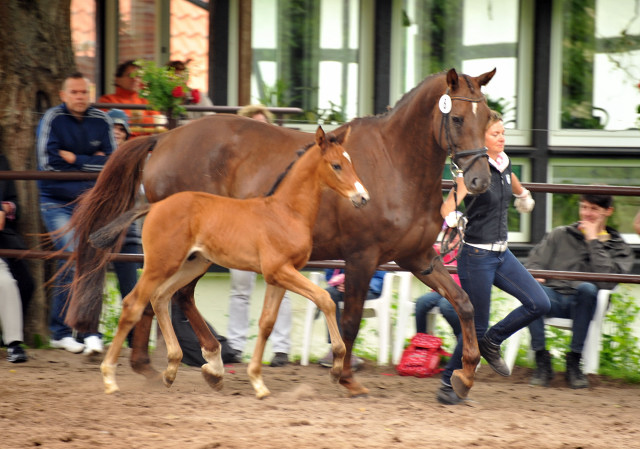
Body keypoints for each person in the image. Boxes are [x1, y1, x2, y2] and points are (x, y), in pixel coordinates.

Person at [436, 110, 550, 405]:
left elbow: (508, 176)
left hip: (502, 254)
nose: (502, 138)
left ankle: (492, 341)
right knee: (475, 326)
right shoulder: (473, 169)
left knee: (539, 302)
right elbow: (447, 209)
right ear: (481, 138)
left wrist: (523, 194)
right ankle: (449, 383)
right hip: (476, 256)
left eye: (503, 133)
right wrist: (455, 218)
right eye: (495, 134)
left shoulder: (503, 161)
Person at [37, 72, 114, 355]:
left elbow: (112, 165)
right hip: (56, 201)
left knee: (88, 259)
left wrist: (75, 159)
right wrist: (90, 163)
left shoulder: (101, 120)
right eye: (75, 92)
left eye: (84, 92)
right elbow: (49, 164)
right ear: (63, 95)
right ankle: (71, 331)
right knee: (74, 255)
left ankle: (79, 331)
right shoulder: (52, 119)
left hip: (91, 202)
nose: (80, 97)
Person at [525, 193, 633, 389]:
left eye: (594, 209)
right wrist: (536, 275)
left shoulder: (618, 246)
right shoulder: (560, 234)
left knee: (587, 288)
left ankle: (574, 361)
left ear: (608, 212)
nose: (587, 213)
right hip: (554, 298)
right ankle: (542, 360)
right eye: (584, 207)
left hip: (586, 303)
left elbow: (608, 281)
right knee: (531, 290)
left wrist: (593, 241)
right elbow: (533, 264)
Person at [225, 103, 292, 367]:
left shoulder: (282, 161)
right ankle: (236, 345)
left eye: (265, 126)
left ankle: (282, 348)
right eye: (255, 127)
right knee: (240, 288)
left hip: (274, 233)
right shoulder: (234, 162)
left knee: (280, 286)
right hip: (243, 231)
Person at [317, 269, 386, 369]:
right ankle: (337, 347)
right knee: (328, 295)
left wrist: (356, 284)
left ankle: (347, 352)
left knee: (352, 295)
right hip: (342, 288)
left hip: (367, 289)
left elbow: (380, 278)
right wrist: (338, 282)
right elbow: (330, 272)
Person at [0, 154, 31, 363]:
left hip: (5, 237)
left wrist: (6, 209)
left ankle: (9, 339)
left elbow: (16, 205)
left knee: (27, 283)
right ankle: (14, 343)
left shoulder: (2, 160)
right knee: (5, 282)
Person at [414, 227, 462, 341]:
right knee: (421, 302)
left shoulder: (466, 250)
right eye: (448, 234)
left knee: (445, 306)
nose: (452, 238)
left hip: (460, 290)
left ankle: (462, 336)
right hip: (441, 290)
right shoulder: (439, 250)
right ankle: (422, 342)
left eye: (456, 234)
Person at [98, 60, 159, 128]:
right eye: (130, 75)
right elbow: (111, 125)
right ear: (118, 80)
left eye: (138, 76)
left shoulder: (146, 101)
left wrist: (130, 120)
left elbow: (157, 122)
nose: (135, 79)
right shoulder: (107, 100)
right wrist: (143, 121)